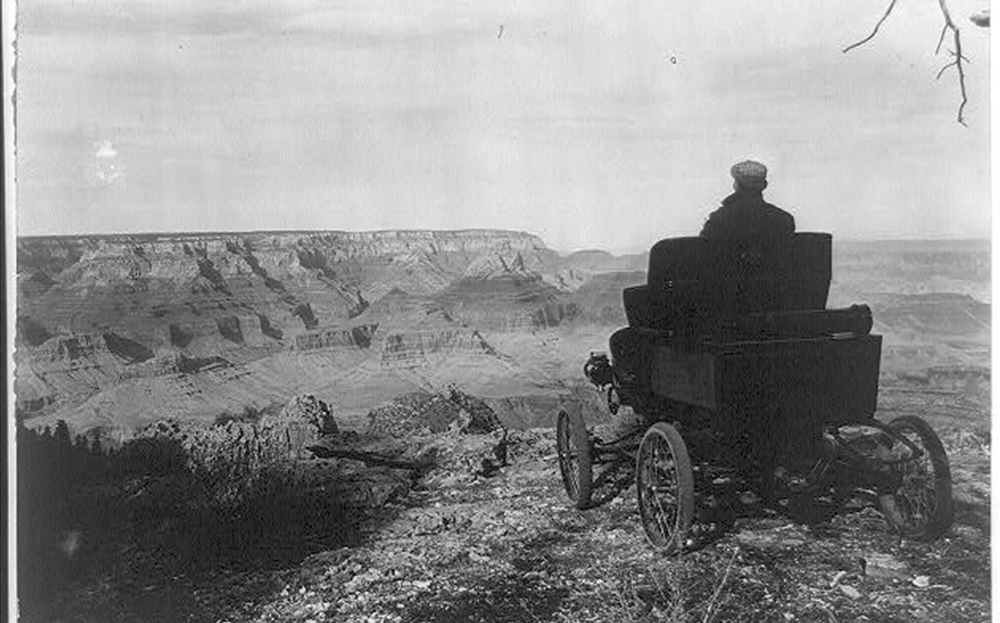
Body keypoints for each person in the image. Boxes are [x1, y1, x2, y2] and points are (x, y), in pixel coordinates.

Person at [700, 160, 795, 240]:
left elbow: (704, 254)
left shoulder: (720, 218)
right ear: (764, 185)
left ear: (736, 185)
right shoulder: (784, 219)